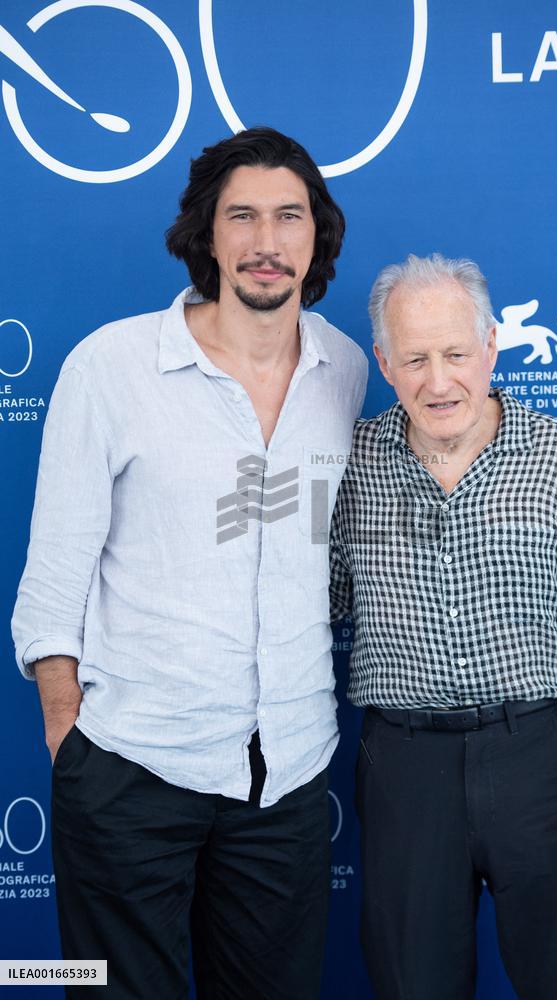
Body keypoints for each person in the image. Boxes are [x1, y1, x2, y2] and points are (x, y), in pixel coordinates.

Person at [12, 126, 367, 999]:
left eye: (288, 217)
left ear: (315, 236)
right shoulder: (113, 366)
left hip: (284, 776)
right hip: (132, 767)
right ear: (206, 234)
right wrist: (72, 744)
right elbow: (54, 575)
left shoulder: (346, 372)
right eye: (240, 216)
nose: (265, 240)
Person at [329, 253, 557, 1000]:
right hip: (404, 770)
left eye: (455, 353)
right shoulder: (349, 465)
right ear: (384, 362)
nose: (438, 381)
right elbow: (308, 605)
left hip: (540, 764)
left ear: (491, 348)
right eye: (415, 358)